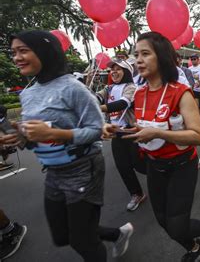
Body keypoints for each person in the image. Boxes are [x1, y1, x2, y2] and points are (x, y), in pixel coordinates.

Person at [10, 30, 132, 261]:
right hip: (54, 171)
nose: (16, 57)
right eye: (14, 52)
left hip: (84, 167)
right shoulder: (28, 94)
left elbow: (97, 130)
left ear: (45, 51)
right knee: (61, 235)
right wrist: (19, 137)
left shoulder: (74, 88)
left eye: (23, 51)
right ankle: (117, 234)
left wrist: (55, 133)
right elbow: (36, 137)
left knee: (82, 239)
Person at [115, 32, 200, 260]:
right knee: (163, 221)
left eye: (145, 54)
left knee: (177, 225)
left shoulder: (180, 92)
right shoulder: (139, 93)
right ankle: (195, 248)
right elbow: (143, 127)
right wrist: (119, 130)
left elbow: (198, 136)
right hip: (155, 166)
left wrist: (158, 132)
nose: (138, 60)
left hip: (182, 165)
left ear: (162, 57)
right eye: (137, 55)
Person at [96, 58, 147, 211]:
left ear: (126, 71)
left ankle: (163, 178)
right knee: (122, 166)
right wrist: (89, 99)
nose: (114, 72)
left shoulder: (132, 87)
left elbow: (123, 103)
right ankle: (137, 194)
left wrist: (99, 108)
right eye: (112, 70)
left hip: (132, 131)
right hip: (117, 134)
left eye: (118, 69)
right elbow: (97, 97)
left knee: (140, 164)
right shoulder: (109, 88)